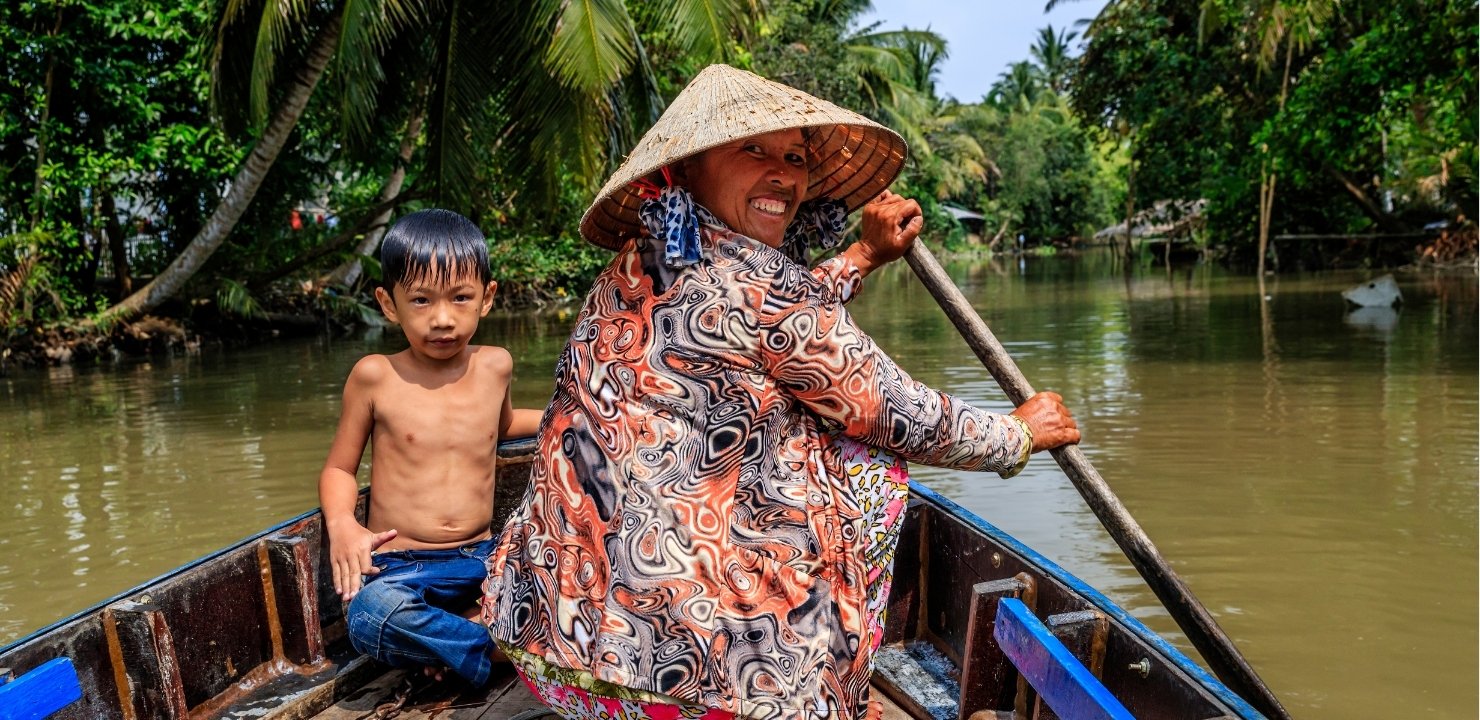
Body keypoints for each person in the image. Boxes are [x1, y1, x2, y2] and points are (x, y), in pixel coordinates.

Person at [482, 65, 1079, 719]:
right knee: (872, 463)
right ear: (686, 172)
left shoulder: (636, 262)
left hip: (554, 653)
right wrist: (1018, 433)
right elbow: (900, 413)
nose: (784, 175)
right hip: (683, 690)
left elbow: (772, 321)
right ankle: (824, 686)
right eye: (753, 150)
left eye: (794, 157)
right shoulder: (763, 286)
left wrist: (861, 257)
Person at [319, 208, 542, 687]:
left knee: (558, 566)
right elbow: (340, 468)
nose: (442, 319)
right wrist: (342, 526)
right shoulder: (375, 375)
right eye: (421, 300)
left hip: (481, 557)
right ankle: (495, 646)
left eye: (461, 298)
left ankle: (451, 643)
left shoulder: (495, 365)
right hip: (401, 566)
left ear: (487, 298)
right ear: (388, 303)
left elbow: (501, 426)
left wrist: (566, 418)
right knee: (369, 616)